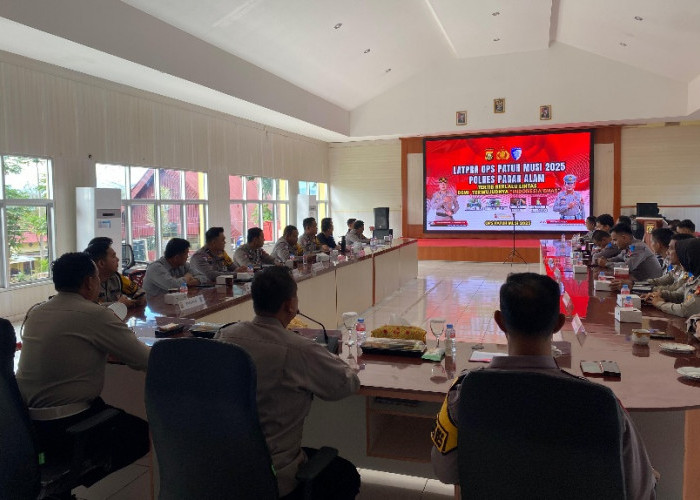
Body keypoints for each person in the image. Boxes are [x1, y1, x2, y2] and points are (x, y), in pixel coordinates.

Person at [430, 272, 657, 499]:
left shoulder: (466, 393)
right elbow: (640, 492)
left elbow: (444, 471)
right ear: (559, 323)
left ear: (499, 321)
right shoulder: (602, 402)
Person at [216, 267, 361, 499]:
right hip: (275, 475)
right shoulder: (298, 349)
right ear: (290, 305)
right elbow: (347, 384)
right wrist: (329, 357)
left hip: (225, 466)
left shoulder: (225, 335)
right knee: (346, 475)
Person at [15, 252, 150, 476]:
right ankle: (84, 469)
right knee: (141, 435)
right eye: (97, 278)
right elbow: (144, 359)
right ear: (89, 282)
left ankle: (68, 476)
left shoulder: (36, 312)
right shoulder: (95, 314)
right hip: (69, 425)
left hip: (28, 426)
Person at [84, 236, 146, 308]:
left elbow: (139, 291)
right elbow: (88, 307)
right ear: (101, 263)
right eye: (113, 256)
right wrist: (118, 304)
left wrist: (139, 299)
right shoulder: (86, 282)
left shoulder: (117, 277)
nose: (118, 259)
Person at [649, 238, 700, 318]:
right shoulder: (694, 277)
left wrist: (660, 304)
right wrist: (660, 294)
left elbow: (686, 310)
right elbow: (679, 295)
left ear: (690, 258)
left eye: (682, 256)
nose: (680, 260)